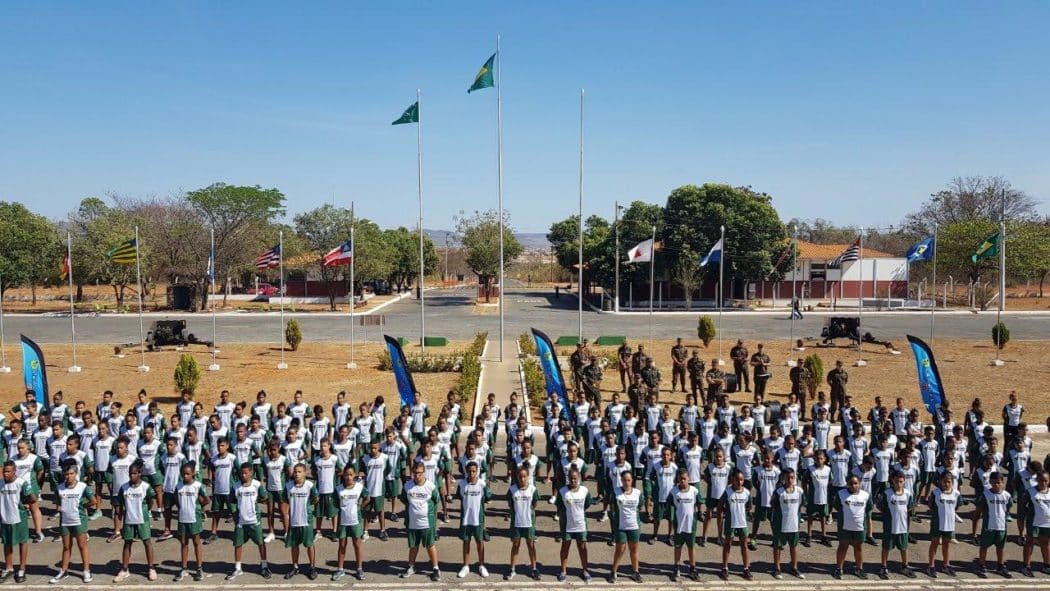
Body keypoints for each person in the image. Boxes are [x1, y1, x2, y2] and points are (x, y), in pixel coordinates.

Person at [51, 461, 95, 583]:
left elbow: (93, 501)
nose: (68, 476)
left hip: (79, 521)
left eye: (71, 473)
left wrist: (82, 506)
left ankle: (86, 571)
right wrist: (60, 508)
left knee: (82, 546)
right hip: (65, 522)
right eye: (66, 474)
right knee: (66, 547)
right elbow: (58, 504)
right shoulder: (59, 488)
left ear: (76, 474)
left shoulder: (82, 487)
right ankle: (64, 571)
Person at [113, 460, 157, 581]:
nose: (132, 476)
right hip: (129, 520)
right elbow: (120, 504)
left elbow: (150, 501)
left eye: (134, 473)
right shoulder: (124, 488)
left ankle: (151, 568)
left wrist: (145, 511)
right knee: (127, 543)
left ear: (140, 473)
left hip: (142, 519)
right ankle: (125, 569)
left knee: (147, 542)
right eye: (130, 474)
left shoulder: (146, 487)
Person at [228, 463, 271, 580]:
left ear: (251, 473)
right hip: (241, 522)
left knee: (261, 543)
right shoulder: (235, 486)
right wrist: (235, 515)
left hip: (254, 521)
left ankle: (264, 566)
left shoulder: (257, 485)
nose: (243, 475)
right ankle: (237, 568)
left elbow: (264, 497)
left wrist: (259, 502)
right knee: (237, 544)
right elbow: (231, 500)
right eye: (242, 473)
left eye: (246, 473)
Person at [400, 460, 441, 581]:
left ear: (424, 473)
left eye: (420, 473)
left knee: (430, 545)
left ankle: (436, 569)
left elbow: (436, 500)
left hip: (427, 522)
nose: (417, 476)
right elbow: (404, 499)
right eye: (415, 473)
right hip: (412, 522)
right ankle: (411, 567)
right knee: (413, 546)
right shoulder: (407, 486)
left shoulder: (431, 486)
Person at [555, 466, 593, 582]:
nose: (573, 481)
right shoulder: (562, 491)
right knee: (565, 547)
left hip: (581, 524)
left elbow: (587, 504)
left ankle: (585, 570)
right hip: (567, 525)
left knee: (582, 547)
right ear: (568, 478)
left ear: (579, 478)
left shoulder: (585, 491)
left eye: (575, 479)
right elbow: (559, 506)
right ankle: (563, 571)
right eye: (571, 479)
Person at [283, 463, 319, 580]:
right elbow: (285, 500)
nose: (297, 474)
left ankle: (312, 567)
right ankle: (295, 567)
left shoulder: (309, 485)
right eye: (295, 472)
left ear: (304, 473)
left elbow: (316, 498)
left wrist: (308, 508)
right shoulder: (288, 486)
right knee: (294, 546)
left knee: (309, 545)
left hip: (306, 521)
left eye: (299, 472)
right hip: (294, 521)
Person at [834, 474, 872, 579]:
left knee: (858, 547)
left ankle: (859, 569)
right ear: (847, 484)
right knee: (843, 546)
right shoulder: (841, 494)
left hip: (859, 527)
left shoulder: (865, 495)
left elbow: (868, 508)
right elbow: (837, 506)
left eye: (856, 483)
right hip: (845, 527)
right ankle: (839, 568)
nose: (853, 485)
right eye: (850, 483)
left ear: (860, 484)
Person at [175, 462, 208, 581]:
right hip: (182, 518)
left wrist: (198, 507)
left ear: (193, 473)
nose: (185, 476)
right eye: (183, 474)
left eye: (188, 474)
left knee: (196, 542)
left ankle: (199, 568)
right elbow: (177, 501)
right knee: (184, 543)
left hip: (194, 518)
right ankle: (184, 568)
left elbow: (206, 500)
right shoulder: (178, 486)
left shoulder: (198, 486)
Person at [506, 465, 541, 580]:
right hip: (516, 523)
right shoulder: (512, 490)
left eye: (524, 476)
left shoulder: (533, 490)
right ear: (517, 477)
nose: (522, 479)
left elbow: (534, 504)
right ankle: (512, 569)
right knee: (515, 545)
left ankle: (534, 568)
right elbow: (510, 504)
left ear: (528, 476)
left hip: (529, 523)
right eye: (520, 477)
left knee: (531, 545)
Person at [0, 460, 32, 583]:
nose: (5, 474)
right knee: (7, 543)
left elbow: (31, 497)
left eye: (8, 471)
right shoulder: (0, 483)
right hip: (4, 517)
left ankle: (22, 568)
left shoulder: (21, 483)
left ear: (14, 472)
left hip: (19, 517)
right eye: (4, 471)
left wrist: (26, 505)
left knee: (22, 542)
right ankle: (9, 568)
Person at [976, 471, 1012, 578]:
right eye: (994, 482)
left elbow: (1008, 508)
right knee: (984, 546)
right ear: (990, 482)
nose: (996, 485)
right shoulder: (986, 495)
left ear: (1003, 482)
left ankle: (1000, 566)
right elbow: (980, 508)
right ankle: (982, 565)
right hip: (989, 526)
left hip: (1001, 526)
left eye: (998, 482)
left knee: (1000, 547)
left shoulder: (1007, 495)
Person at [333, 465, 366, 581]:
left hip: (355, 521)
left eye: (351, 475)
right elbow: (335, 503)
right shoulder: (338, 489)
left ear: (355, 475)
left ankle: (359, 569)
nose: (348, 477)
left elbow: (368, 497)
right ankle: (340, 569)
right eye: (346, 475)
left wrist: (360, 507)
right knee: (342, 546)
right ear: (343, 476)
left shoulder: (359, 487)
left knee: (357, 545)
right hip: (343, 522)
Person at [879, 470, 915, 578]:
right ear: (892, 481)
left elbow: (910, 509)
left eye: (901, 481)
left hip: (903, 527)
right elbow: (880, 506)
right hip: (890, 527)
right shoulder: (887, 493)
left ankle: (905, 566)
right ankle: (884, 567)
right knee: (886, 547)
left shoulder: (908, 494)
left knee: (904, 547)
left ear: (904, 481)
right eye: (896, 481)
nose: (898, 484)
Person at [771, 468, 804, 579]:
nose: (790, 480)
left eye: (792, 477)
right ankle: (777, 568)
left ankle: (794, 567)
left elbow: (800, 505)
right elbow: (774, 505)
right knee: (778, 546)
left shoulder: (799, 491)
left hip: (794, 525)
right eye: (788, 477)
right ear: (784, 478)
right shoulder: (779, 492)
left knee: (794, 547)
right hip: (781, 525)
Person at [720, 470, 753, 580]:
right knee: (727, 545)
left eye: (741, 480)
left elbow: (749, 506)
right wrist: (726, 513)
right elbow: (720, 506)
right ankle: (725, 568)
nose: (739, 482)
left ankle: (746, 568)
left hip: (742, 523)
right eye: (737, 479)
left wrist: (742, 512)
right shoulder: (727, 492)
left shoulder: (747, 493)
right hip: (731, 523)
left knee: (744, 546)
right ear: (732, 480)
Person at [670, 469, 702, 581]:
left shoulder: (694, 491)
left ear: (688, 479)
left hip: (691, 524)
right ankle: (676, 567)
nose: (682, 481)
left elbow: (699, 502)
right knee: (678, 546)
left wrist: (699, 514)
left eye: (684, 479)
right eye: (680, 479)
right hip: (679, 524)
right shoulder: (674, 492)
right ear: (678, 479)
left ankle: (693, 568)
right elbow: (670, 504)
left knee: (691, 547)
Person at [926, 471, 960, 576]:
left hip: (949, 524)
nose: (946, 484)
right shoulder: (935, 492)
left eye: (949, 482)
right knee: (934, 544)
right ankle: (931, 566)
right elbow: (930, 505)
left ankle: (946, 565)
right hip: (937, 523)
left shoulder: (956, 493)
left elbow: (957, 506)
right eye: (944, 482)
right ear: (940, 481)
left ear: (952, 482)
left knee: (946, 545)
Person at [1022, 470, 1050, 577]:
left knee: (1046, 543)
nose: (1043, 483)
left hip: (1047, 523)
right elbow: (1022, 507)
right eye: (1041, 480)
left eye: (1045, 481)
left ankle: (1046, 565)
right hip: (1034, 522)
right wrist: (1025, 519)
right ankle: (1026, 566)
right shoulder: (1030, 492)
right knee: (1029, 543)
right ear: (1037, 480)